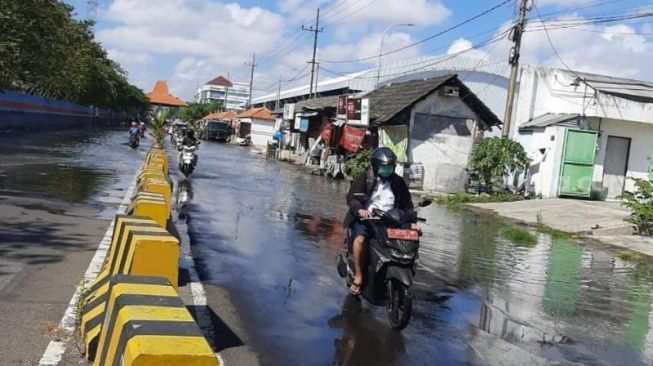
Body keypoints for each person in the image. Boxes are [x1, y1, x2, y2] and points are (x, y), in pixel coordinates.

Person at [343, 147, 417, 295]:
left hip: (391, 220)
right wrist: (360, 210)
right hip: (368, 219)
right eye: (383, 167)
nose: (387, 170)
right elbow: (352, 198)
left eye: (389, 167)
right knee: (360, 241)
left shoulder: (398, 182)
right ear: (376, 166)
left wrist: (413, 222)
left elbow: (407, 205)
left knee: (409, 239)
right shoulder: (365, 178)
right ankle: (358, 275)